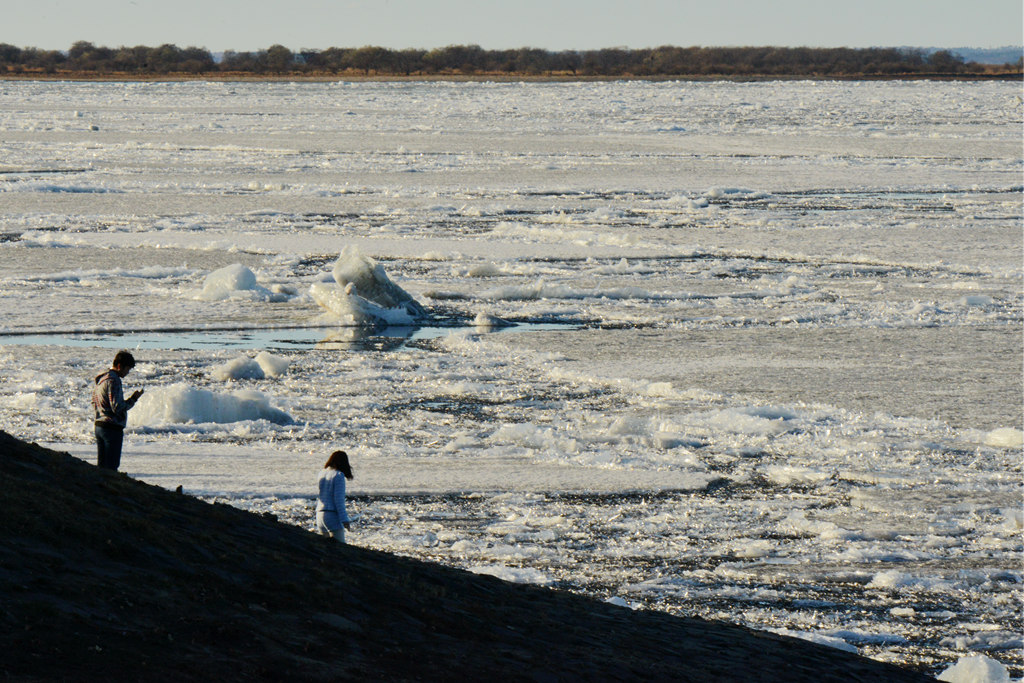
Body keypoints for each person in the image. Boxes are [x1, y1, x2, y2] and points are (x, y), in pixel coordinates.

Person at [92, 350, 144, 471]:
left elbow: (94, 402)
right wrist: (133, 399)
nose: (127, 372)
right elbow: (118, 407)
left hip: (99, 425)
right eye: (127, 369)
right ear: (120, 366)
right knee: (111, 468)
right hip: (111, 428)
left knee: (101, 467)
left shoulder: (101, 379)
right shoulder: (114, 380)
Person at [316, 450, 354, 543]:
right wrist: (345, 520)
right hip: (332, 515)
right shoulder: (338, 475)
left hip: (319, 515)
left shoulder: (322, 473)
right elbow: (339, 500)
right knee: (340, 550)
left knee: (325, 550)